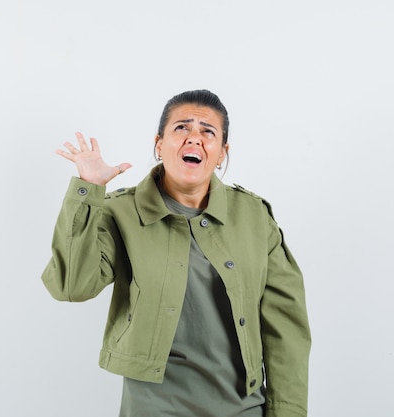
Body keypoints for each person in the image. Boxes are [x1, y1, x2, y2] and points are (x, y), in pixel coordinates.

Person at [41, 89, 311, 417]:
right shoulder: (121, 212)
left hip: (242, 406)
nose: (194, 138)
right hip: (154, 407)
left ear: (222, 153)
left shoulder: (254, 217)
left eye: (207, 131)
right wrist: (88, 191)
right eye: (182, 127)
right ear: (159, 144)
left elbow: (286, 327)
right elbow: (71, 286)